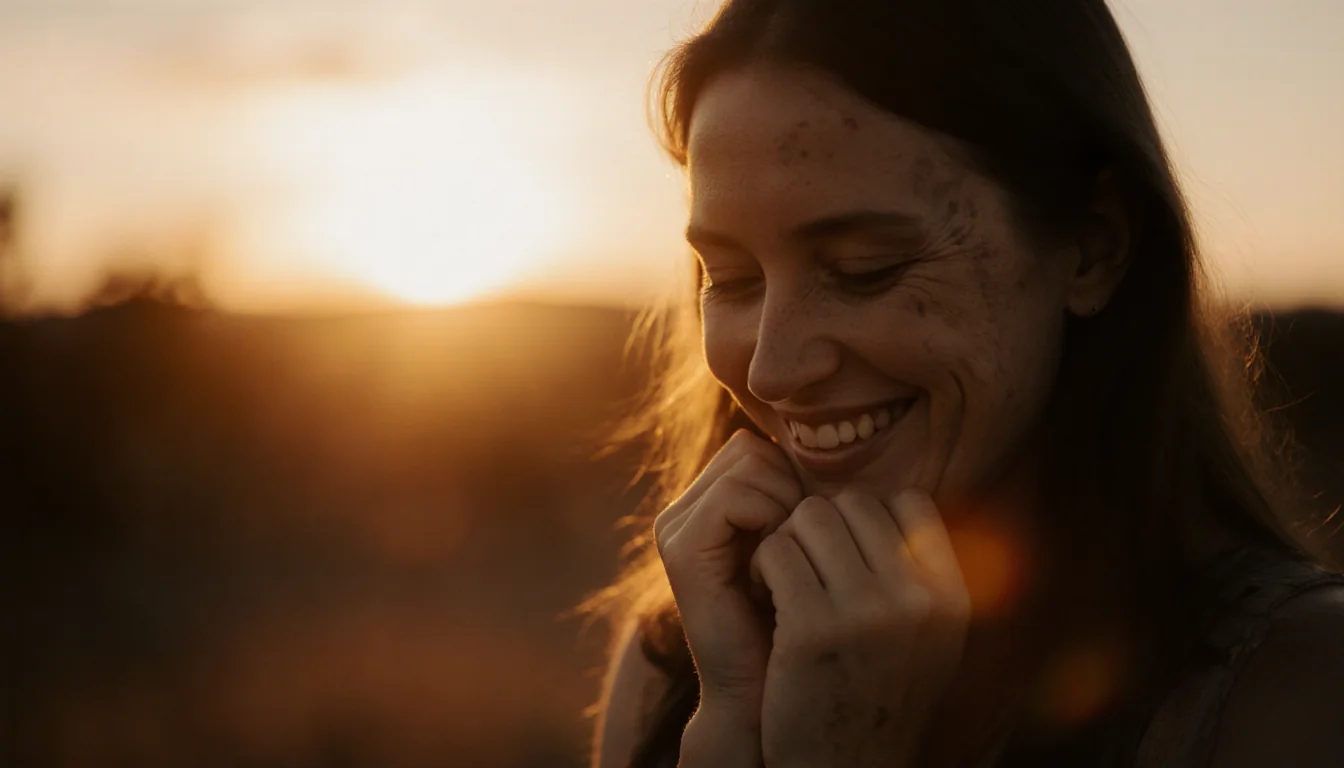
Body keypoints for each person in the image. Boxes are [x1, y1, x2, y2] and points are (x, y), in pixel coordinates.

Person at [581, 1, 1344, 766]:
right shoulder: (679, 667)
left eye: (864, 270)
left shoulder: (1296, 693)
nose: (771, 370)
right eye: (732, 277)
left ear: (1091, 247)